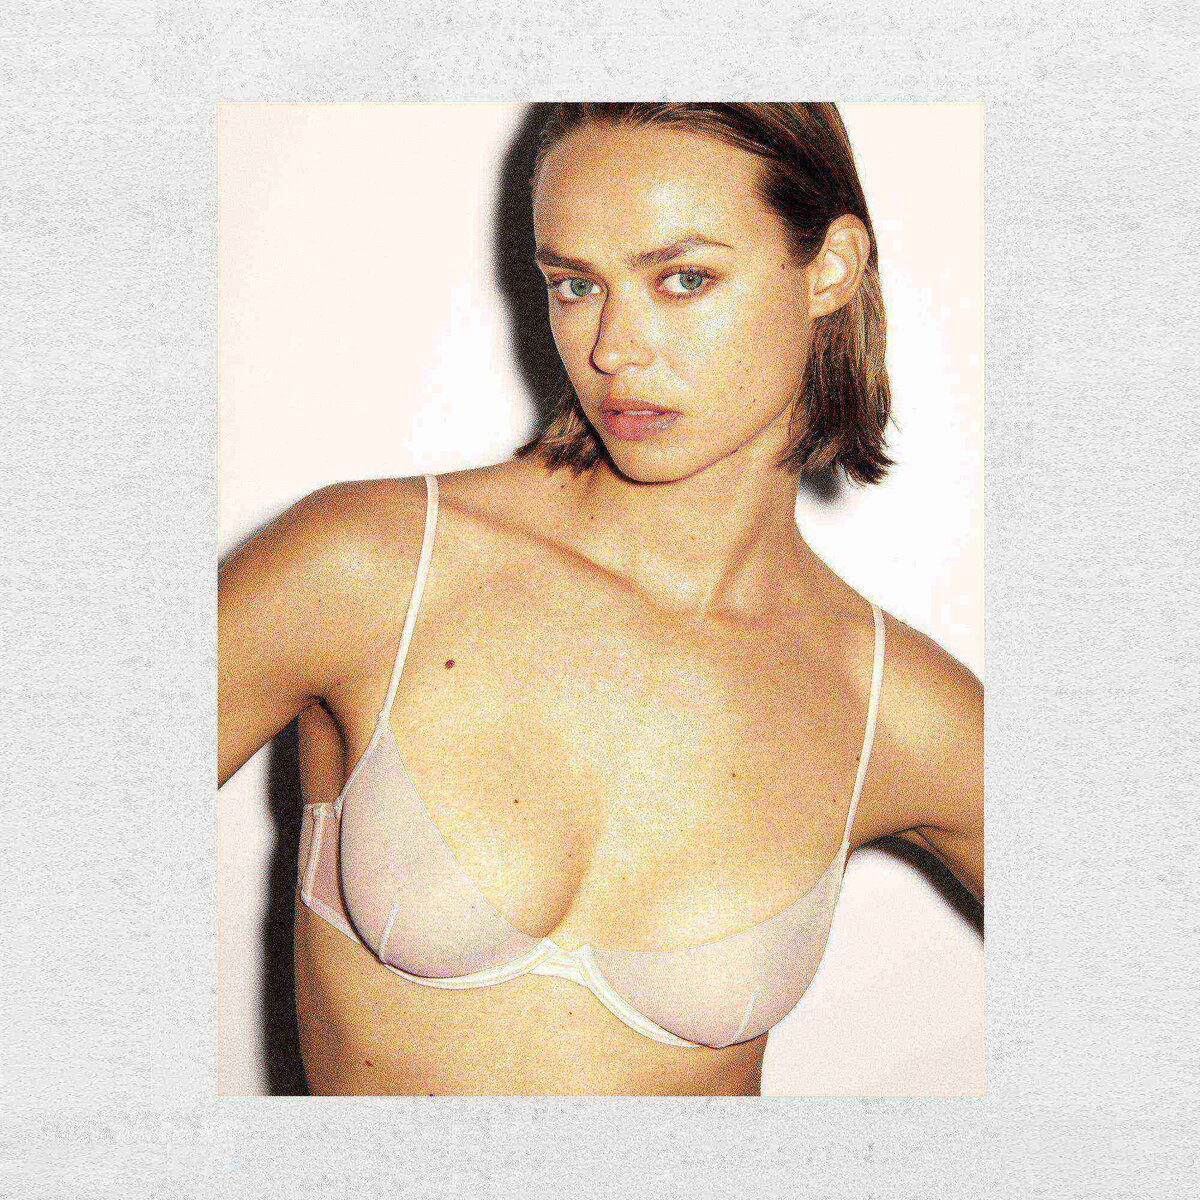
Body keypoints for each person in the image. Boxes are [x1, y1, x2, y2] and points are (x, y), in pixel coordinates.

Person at [218, 102, 983, 1097]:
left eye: (684, 279)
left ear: (830, 268)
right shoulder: (371, 568)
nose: (614, 349)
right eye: (576, 285)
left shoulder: (894, 705)